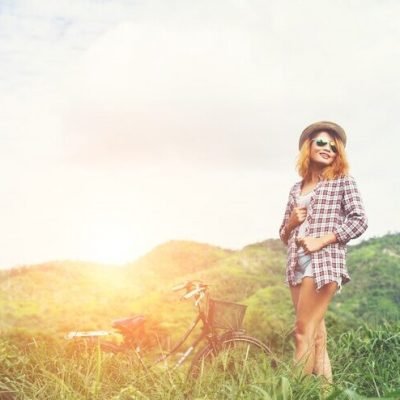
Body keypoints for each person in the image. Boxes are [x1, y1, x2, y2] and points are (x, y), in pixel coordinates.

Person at [279, 121, 368, 382]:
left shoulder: (342, 181)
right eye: (321, 142)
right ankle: (325, 392)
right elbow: (284, 235)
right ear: (308, 147)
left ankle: (295, 393)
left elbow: (359, 220)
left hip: (324, 263)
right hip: (296, 264)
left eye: (333, 145)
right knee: (316, 336)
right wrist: (292, 223)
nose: (327, 147)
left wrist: (322, 240)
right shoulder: (296, 189)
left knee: (301, 332)